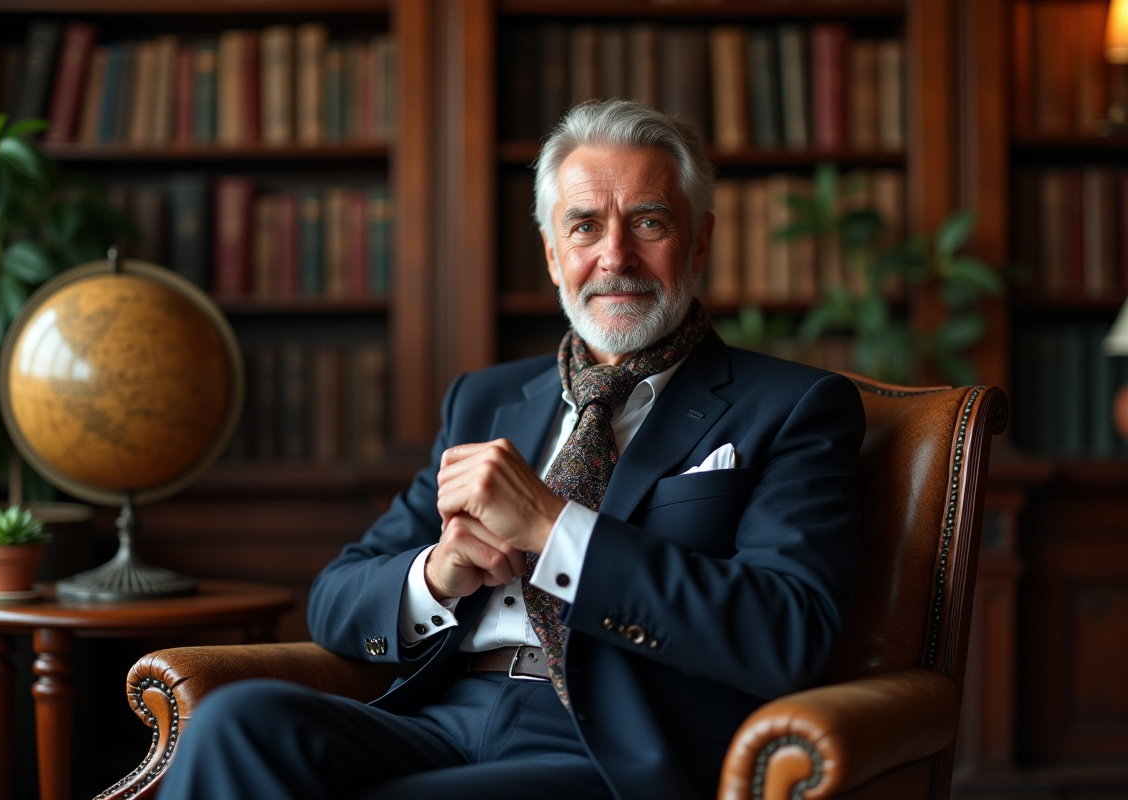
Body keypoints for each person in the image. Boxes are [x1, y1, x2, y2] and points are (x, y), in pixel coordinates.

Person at [157, 99, 865, 800]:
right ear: (554, 253)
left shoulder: (793, 406)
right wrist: (436, 575)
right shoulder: (484, 401)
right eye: (584, 227)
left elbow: (787, 632)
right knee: (232, 723)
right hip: (441, 718)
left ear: (700, 242)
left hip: (608, 748)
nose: (614, 256)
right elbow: (337, 597)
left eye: (649, 222)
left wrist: (556, 531)